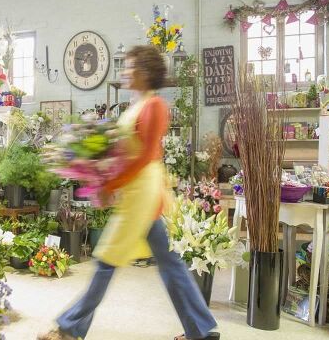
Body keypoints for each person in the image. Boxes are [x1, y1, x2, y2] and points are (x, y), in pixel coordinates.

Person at [38, 45, 220, 340]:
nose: (124, 70)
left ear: (145, 73)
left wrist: (111, 184)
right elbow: (125, 152)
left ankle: (70, 329)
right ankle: (200, 330)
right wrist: (98, 169)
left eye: (129, 65)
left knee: (107, 259)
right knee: (170, 264)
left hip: (142, 194)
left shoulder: (155, 106)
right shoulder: (136, 104)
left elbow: (146, 156)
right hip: (137, 191)